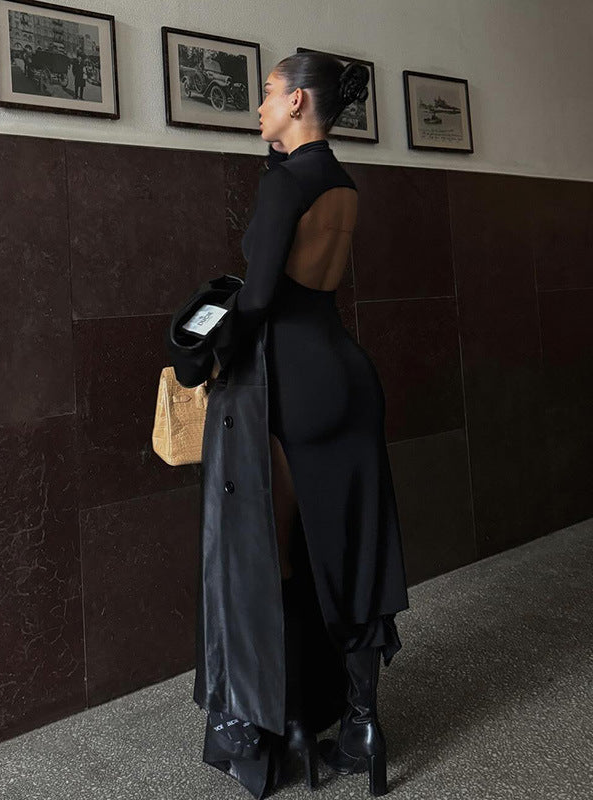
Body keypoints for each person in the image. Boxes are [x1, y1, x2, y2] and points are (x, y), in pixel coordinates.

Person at [204, 52, 409, 796]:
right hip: (348, 375)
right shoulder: (342, 181)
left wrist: (202, 350)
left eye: (266, 94)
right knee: (354, 551)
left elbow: (258, 299)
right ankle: (362, 724)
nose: (258, 107)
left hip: (290, 386)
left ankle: (290, 725)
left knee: (280, 558)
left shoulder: (284, 183)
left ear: (297, 102)